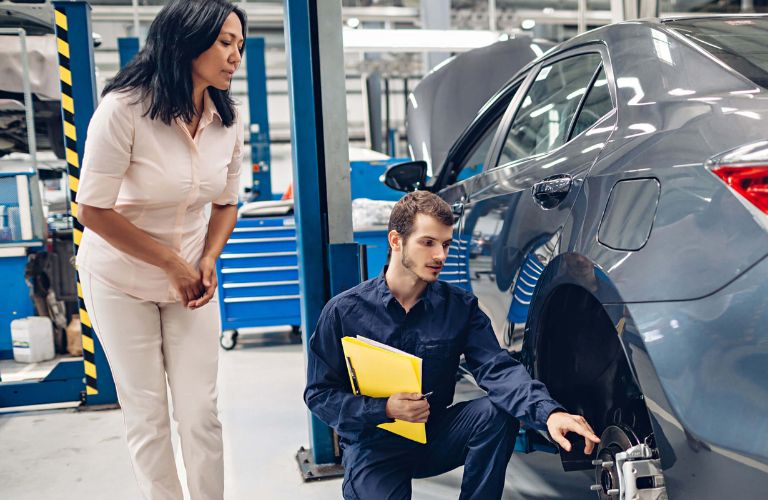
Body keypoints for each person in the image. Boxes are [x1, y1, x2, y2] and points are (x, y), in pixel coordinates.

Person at [304, 191, 600, 500]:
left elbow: (497, 370)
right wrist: (385, 407)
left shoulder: (459, 307)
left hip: (433, 435)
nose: (440, 256)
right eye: (428, 243)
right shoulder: (344, 312)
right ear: (396, 240)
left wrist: (550, 413)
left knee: (497, 412)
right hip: (374, 442)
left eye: (446, 244)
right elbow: (319, 393)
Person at [75, 1, 245, 498]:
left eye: (239, 44)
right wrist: (171, 262)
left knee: (200, 414)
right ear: (186, 41)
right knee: (148, 414)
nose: (236, 56)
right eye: (225, 43)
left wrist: (207, 258)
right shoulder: (123, 109)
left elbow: (227, 202)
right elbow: (92, 210)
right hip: (119, 279)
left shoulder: (226, 118)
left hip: (191, 282)